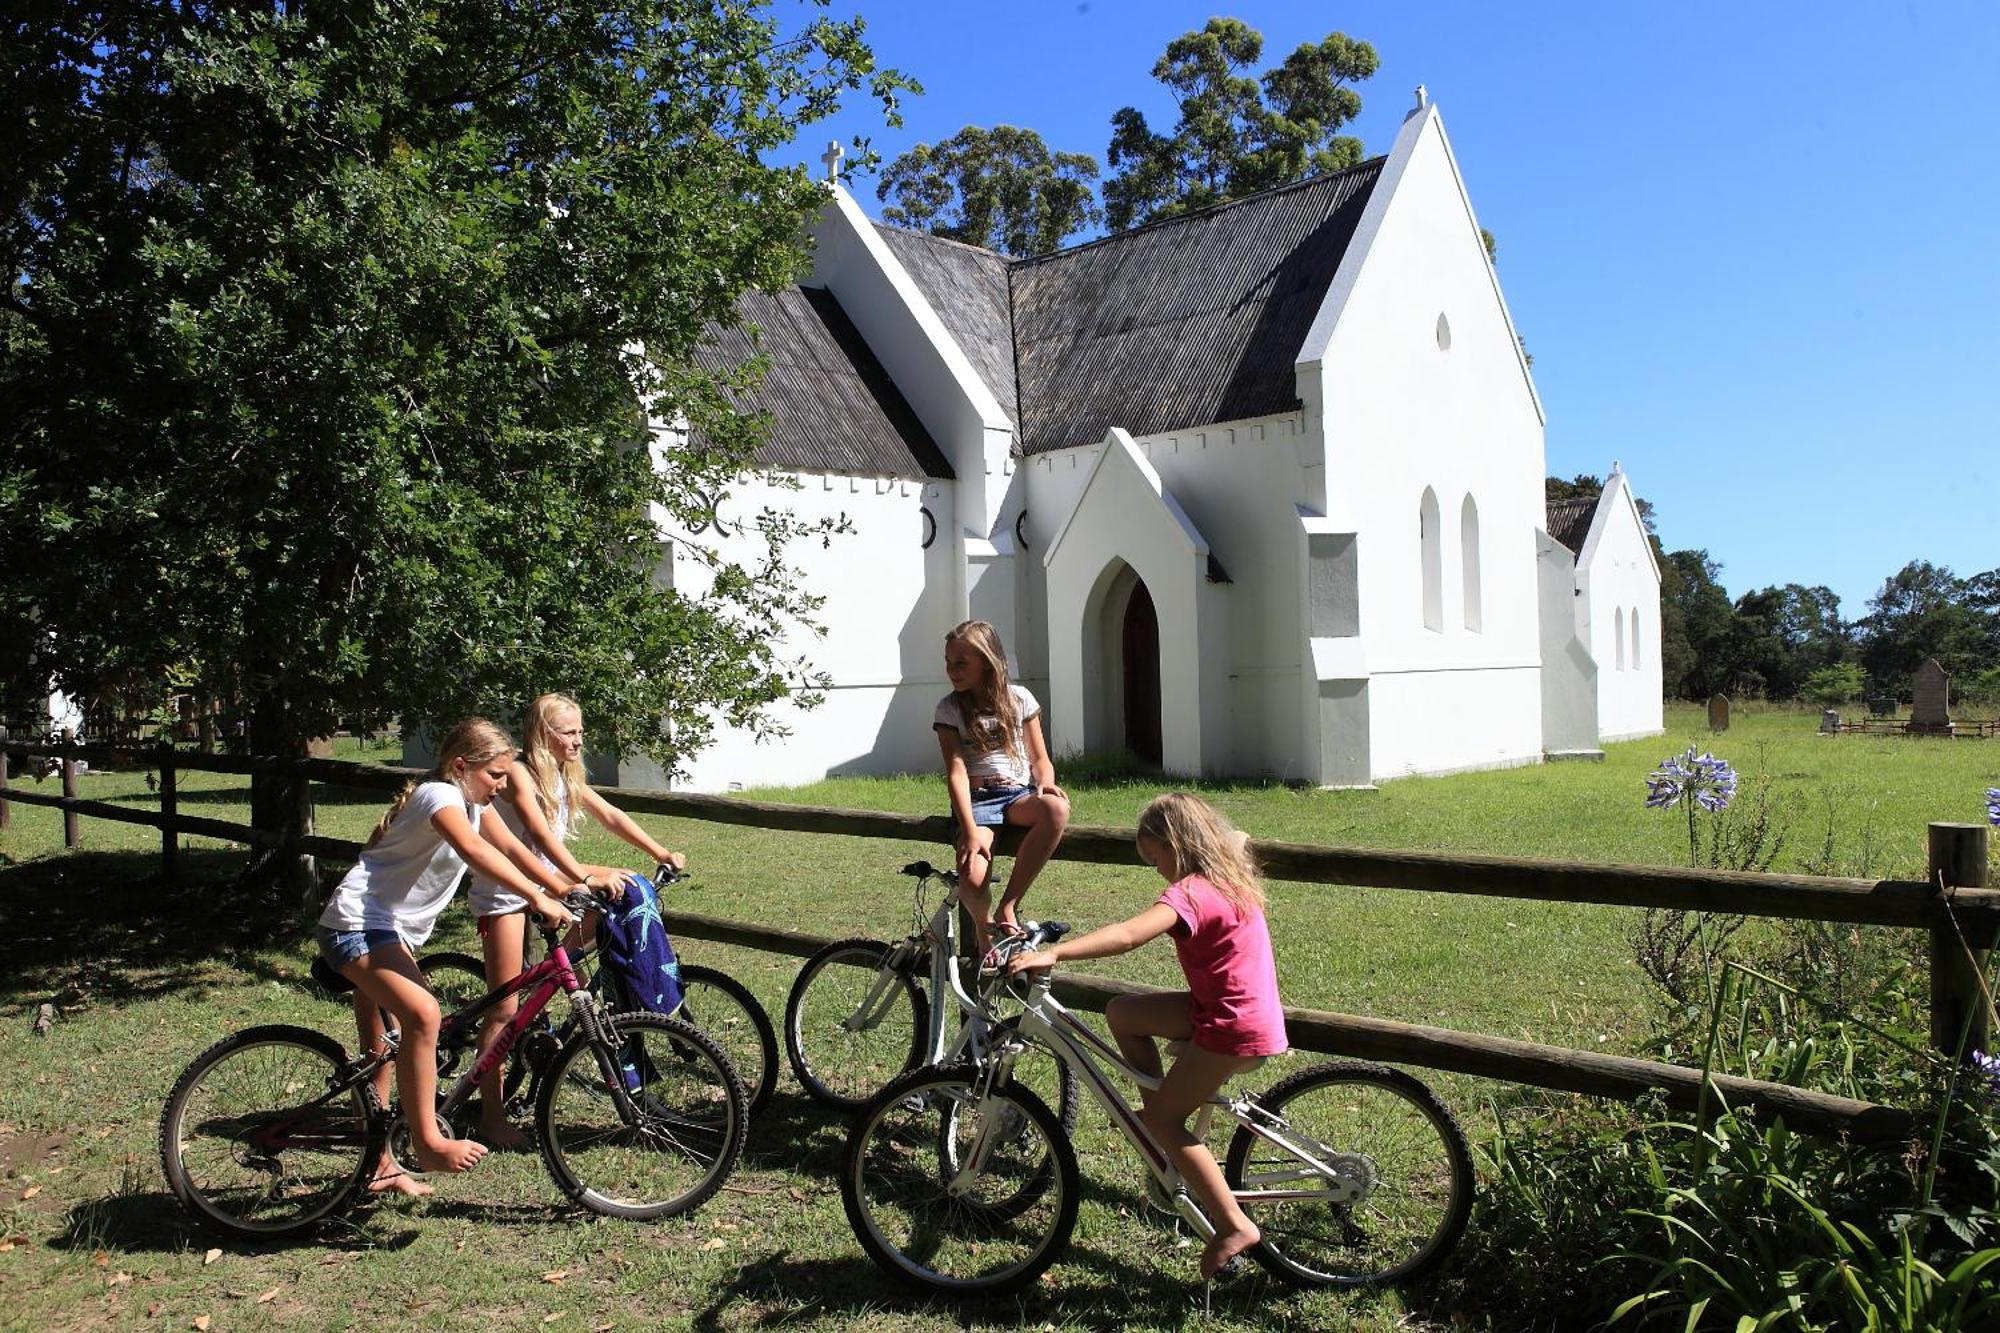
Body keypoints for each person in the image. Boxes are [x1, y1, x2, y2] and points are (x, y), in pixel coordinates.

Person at [1008, 792, 1286, 1278]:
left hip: (1230, 1025)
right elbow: (1236, 838)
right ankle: (1157, 1129)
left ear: (1178, 845)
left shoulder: (1191, 893)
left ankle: (1233, 1224)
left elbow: (1129, 934)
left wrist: (1059, 954)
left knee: (1165, 1119)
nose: (1158, 871)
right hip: (1228, 1009)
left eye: (1157, 859)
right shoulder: (1231, 870)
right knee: (1123, 1013)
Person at [317, 717, 581, 1194]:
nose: (502, 786)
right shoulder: (439, 796)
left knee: (385, 1046)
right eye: (495, 775)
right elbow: (475, 851)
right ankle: (427, 1142)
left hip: (387, 933)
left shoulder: (472, 803)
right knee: (423, 1016)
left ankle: (377, 1163)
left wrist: (567, 885)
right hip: (356, 926)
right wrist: (537, 899)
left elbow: (513, 849)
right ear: (461, 766)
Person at [465, 692, 688, 1147]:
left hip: (547, 880)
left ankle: (551, 992)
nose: (579, 740)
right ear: (544, 734)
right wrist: (583, 875)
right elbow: (542, 838)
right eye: (569, 732)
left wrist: (658, 851)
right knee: (503, 1009)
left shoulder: (565, 774)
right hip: (509, 890)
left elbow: (610, 814)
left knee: (618, 892)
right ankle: (491, 1117)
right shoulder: (522, 774)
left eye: (581, 731)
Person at [934, 620, 1069, 953]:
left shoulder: (1020, 698)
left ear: (987, 659)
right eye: (949, 662)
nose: (953, 670)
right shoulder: (949, 709)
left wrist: (1046, 783)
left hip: (1017, 795)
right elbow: (957, 773)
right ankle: (984, 934)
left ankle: (1009, 904)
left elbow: (1040, 759)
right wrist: (969, 829)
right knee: (973, 878)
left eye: (961, 662)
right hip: (977, 802)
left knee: (1057, 809)